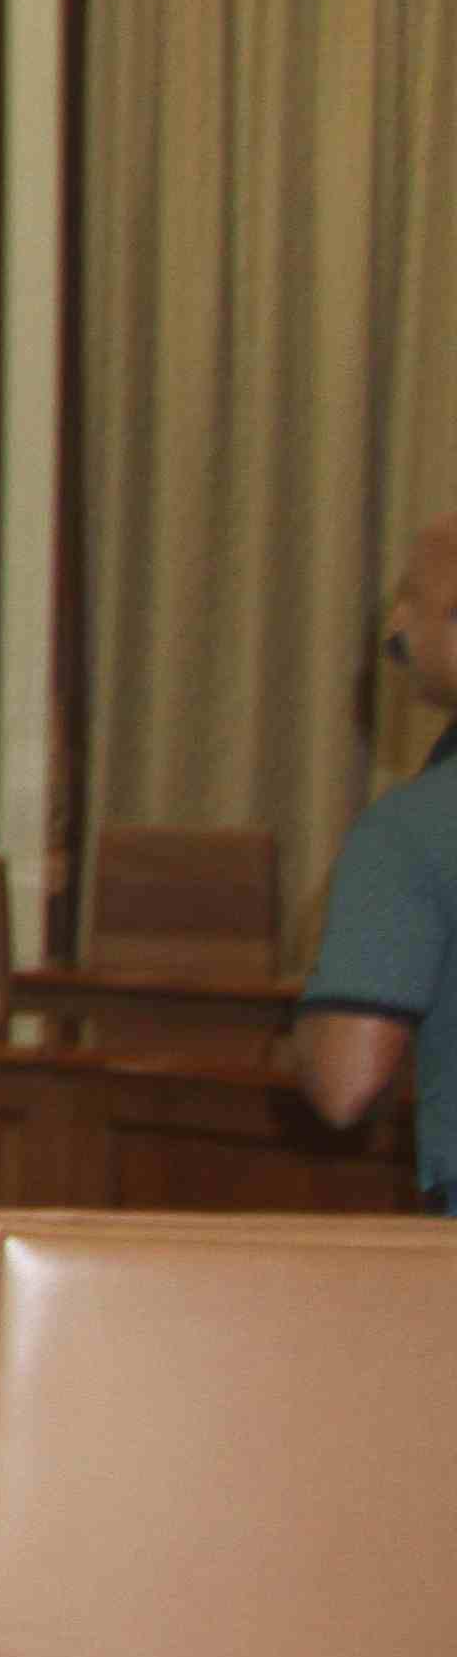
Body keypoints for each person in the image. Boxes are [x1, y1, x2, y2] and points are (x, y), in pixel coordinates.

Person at [295, 506, 457, 1215]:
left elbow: (346, 1081)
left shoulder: (413, 826)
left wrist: (303, 1030)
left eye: (411, 599)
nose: (395, 624)